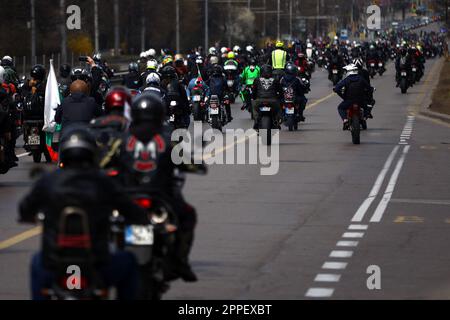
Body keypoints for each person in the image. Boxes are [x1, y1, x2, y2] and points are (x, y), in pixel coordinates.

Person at [19, 127, 149, 300]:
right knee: (130, 262)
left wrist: (29, 216)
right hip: (98, 264)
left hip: (54, 264)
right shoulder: (103, 182)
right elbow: (133, 211)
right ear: (91, 154)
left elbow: (24, 209)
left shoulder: (49, 181)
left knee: (37, 262)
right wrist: (141, 218)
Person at [100, 92, 204, 282]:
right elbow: (187, 163)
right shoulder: (166, 140)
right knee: (188, 215)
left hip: (128, 198)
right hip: (161, 196)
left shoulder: (122, 140)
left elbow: (104, 163)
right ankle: (180, 262)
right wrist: (198, 166)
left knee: (103, 219)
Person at [22, 64, 52, 163]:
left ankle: (27, 140)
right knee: (48, 133)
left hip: (28, 118)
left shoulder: (27, 85)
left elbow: (21, 96)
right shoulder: (45, 86)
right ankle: (48, 152)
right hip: (41, 117)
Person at [333, 64, 373, 130]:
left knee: (340, 108)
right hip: (360, 101)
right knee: (367, 107)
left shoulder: (346, 80)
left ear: (349, 71)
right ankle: (364, 118)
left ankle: (345, 120)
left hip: (349, 101)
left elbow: (337, 88)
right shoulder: (361, 78)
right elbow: (369, 88)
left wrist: (339, 92)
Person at [251, 65, 282, 129]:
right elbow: (280, 90)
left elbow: (254, 92)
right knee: (279, 108)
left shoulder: (257, 80)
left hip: (259, 101)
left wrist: (254, 98)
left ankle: (256, 120)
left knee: (254, 106)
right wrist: (280, 97)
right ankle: (277, 120)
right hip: (273, 101)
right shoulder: (275, 80)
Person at [0, 66, 17, 171]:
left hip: (2, 125)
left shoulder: (6, 90)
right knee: (11, 135)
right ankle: (10, 158)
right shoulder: (4, 92)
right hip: (2, 125)